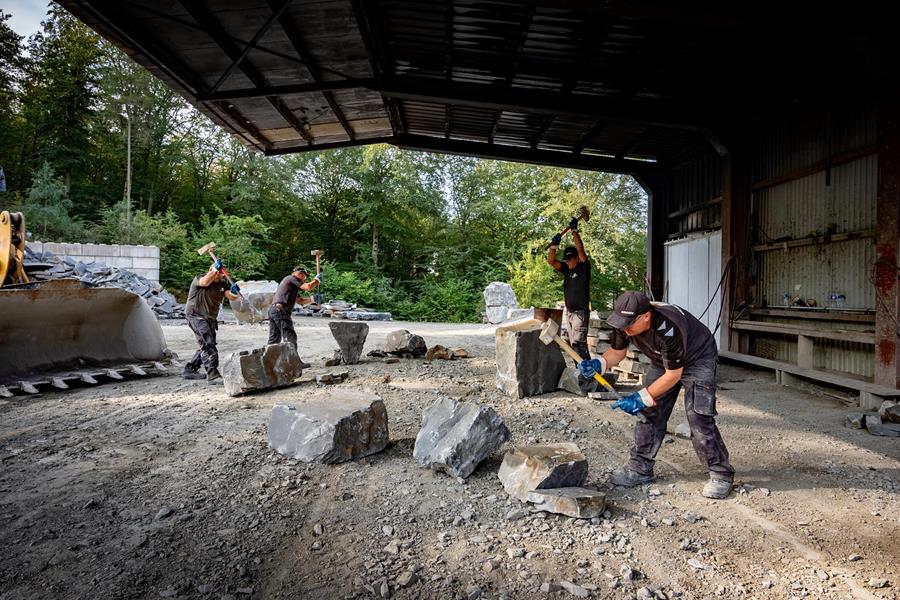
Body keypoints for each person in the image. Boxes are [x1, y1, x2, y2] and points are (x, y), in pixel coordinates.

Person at [578, 291, 735, 499]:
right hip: (664, 361)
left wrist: (640, 396)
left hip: (698, 358)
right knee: (650, 411)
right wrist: (600, 363)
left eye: (629, 324)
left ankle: (721, 474)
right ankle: (640, 469)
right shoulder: (623, 323)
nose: (625, 329)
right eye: (622, 324)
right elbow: (617, 351)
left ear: (646, 316)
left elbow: (674, 375)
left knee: (698, 416)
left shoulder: (669, 327)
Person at [548, 216, 594, 390]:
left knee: (579, 344)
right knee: (573, 345)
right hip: (570, 312)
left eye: (570, 259)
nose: (567, 262)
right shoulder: (567, 269)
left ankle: (588, 377)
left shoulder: (583, 268)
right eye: (566, 259)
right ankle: (583, 375)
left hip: (581, 313)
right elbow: (551, 261)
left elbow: (581, 250)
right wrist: (554, 245)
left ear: (576, 258)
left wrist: (574, 231)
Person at [182, 260, 240, 384]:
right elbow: (204, 282)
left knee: (206, 343)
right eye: (218, 273)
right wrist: (214, 270)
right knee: (208, 344)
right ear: (211, 271)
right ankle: (213, 375)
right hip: (195, 315)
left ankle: (190, 369)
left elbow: (231, 296)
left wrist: (235, 292)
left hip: (209, 318)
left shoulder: (222, 284)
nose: (220, 275)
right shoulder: (200, 279)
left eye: (222, 273)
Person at [268, 265, 322, 362]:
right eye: (304, 276)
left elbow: (300, 300)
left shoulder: (290, 284)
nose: (304, 279)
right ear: (300, 274)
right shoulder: (292, 278)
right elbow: (308, 287)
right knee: (290, 337)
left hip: (274, 310)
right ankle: (294, 363)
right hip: (281, 310)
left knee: (274, 338)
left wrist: (313, 299)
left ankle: (269, 361)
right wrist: (316, 280)